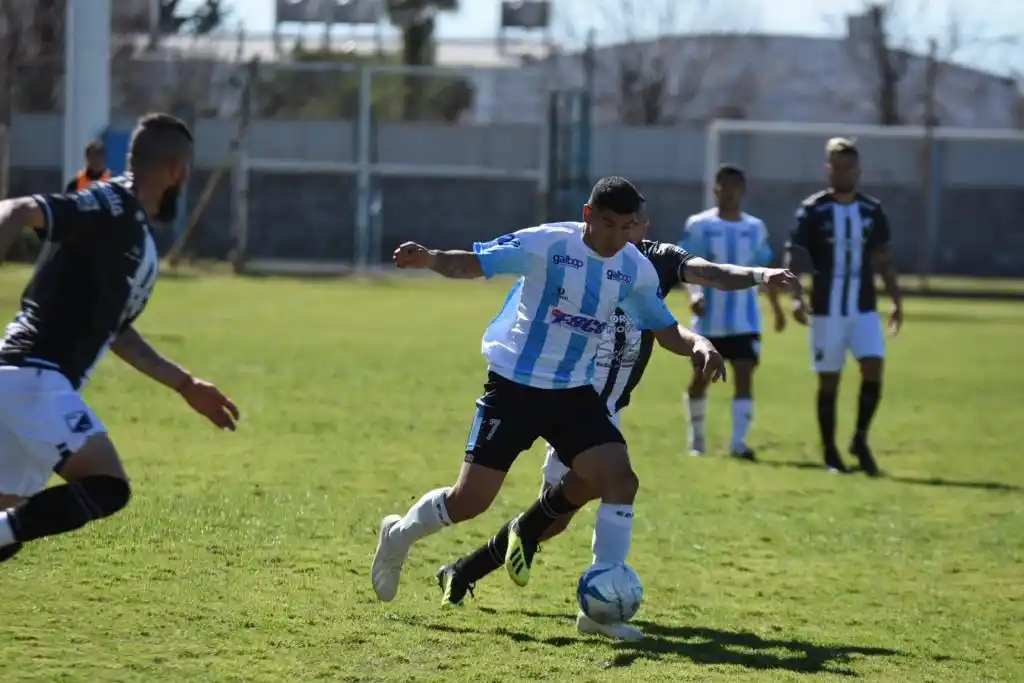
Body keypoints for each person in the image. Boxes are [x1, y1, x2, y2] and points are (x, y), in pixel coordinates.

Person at [435, 201, 797, 641]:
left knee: (561, 511)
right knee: (566, 507)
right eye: (619, 222)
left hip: (606, 410)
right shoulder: (580, 256)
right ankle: (518, 577)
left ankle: (472, 569)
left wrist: (759, 275)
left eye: (637, 222)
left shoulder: (654, 262)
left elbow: (710, 272)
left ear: (643, 226)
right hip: (568, 398)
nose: (629, 230)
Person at [371, 177, 727, 607]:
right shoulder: (549, 244)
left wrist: (700, 345)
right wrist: (430, 259)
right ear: (588, 215)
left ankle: (604, 592)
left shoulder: (633, 268)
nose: (618, 237)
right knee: (469, 502)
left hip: (573, 392)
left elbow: (665, 329)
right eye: (610, 225)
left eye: (627, 226)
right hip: (515, 386)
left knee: (619, 479)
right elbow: (475, 262)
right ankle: (399, 535)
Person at [0, 113, 240, 563]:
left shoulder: (132, 228)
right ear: (176, 171)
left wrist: (185, 385)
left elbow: (116, 332)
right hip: (35, 378)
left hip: (23, 384)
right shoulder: (109, 206)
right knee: (106, 486)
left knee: (6, 536)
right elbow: (15, 209)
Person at [784, 137, 903, 476]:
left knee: (873, 368)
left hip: (863, 308)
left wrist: (896, 300)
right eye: (836, 166)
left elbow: (883, 257)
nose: (843, 172)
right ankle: (830, 451)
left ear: (858, 169)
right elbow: (795, 251)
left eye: (848, 166)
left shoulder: (871, 210)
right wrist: (795, 294)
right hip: (826, 310)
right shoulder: (813, 209)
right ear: (828, 169)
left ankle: (860, 439)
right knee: (829, 382)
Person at [681, 164, 786, 461]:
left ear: (743, 190)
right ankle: (697, 438)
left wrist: (777, 310)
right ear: (714, 189)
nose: (728, 192)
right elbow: (685, 268)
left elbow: (767, 273)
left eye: (734, 186)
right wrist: (696, 294)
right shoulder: (699, 225)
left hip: (745, 319)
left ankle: (739, 443)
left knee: (744, 375)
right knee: (701, 378)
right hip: (709, 322)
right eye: (723, 185)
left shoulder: (755, 228)